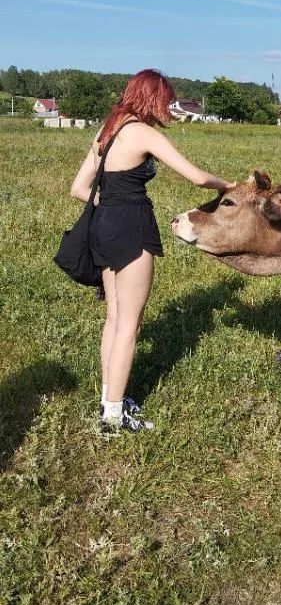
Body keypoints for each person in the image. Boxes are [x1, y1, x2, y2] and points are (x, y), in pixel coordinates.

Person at [68, 67, 233, 435]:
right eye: (166, 99)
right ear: (152, 97)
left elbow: (79, 189)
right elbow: (195, 177)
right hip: (131, 228)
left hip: (101, 227)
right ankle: (112, 418)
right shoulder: (142, 132)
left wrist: (109, 203)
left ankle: (110, 398)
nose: (169, 107)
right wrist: (231, 186)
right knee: (130, 324)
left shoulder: (107, 129)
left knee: (114, 318)